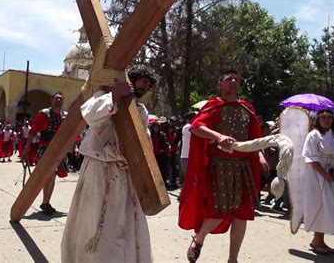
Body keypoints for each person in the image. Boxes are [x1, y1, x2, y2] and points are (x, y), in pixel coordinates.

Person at [61, 65, 157, 262]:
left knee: (124, 222)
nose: (145, 86)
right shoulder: (103, 94)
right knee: (93, 219)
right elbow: (89, 114)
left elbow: (144, 141)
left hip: (125, 174)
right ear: (132, 78)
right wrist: (114, 95)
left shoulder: (141, 110)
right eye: (143, 80)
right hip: (99, 169)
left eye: (149, 84)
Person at [179, 70, 268, 263]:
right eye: (229, 79)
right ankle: (199, 238)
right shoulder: (213, 106)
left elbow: (255, 138)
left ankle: (232, 259)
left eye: (236, 79)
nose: (233, 81)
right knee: (218, 213)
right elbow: (196, 127)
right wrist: (218, 136)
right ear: (221, 84)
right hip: (219, 169)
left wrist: (260, 154)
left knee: (242, 215)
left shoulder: (247, 108)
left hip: (244, 168)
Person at [301, 109, 334, 254]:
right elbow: (311, 159)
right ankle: (316, 241)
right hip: (317, 175)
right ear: (318, 120)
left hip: (332, 175)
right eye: (323, 118)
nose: (326, 120)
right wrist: (325, 175)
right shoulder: (313, 135)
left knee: (331, 207)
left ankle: (320, 240)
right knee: (320, 205)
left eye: (329, 117)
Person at [23, 91, 67, 216]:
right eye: (56, 98)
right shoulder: (44, 114)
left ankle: (46, 202)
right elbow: (33, 131)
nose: (58, 101)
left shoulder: (65, 116)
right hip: (45, 148)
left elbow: (69, 133)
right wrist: (27, 147)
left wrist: (74, 147)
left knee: (52, 176)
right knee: (48, 175)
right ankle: (45, 202)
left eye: (61, 99)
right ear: (51, 100)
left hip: (58, 150)